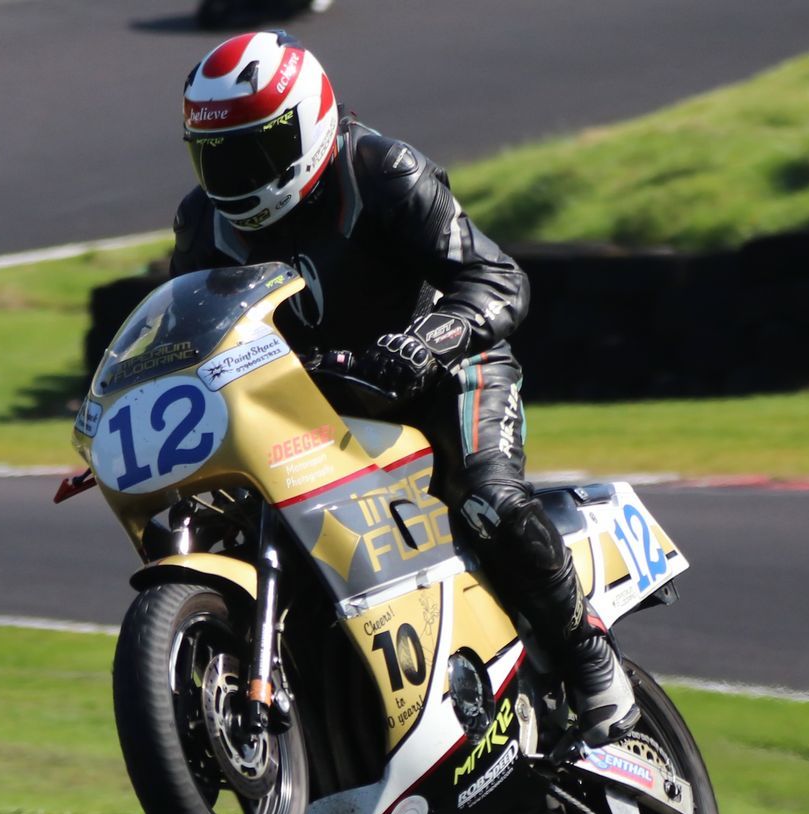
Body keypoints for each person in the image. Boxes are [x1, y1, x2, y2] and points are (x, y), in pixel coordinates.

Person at [167, 31, 638, 744]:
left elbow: (498, 278)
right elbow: (185, 333)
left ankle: (587, 657)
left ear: (307, 123)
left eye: (253, 150)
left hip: (447, 374)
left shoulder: (380, 169)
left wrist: (427, 341)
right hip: (316, 401)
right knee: (222, 509)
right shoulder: (204, 221)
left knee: (488, 498)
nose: (233, 173)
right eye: (216, 154)